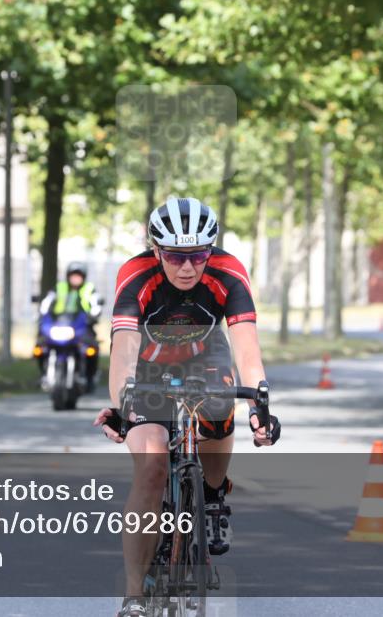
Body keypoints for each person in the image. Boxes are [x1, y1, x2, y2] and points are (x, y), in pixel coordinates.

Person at [91, 197, 280, 617]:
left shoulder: (228, 273)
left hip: (205, 357)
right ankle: (135, 593)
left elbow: (247, 349)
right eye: (176, 256)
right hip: (147, 368)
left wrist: (259, 405)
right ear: (156, 250)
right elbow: (122, 351)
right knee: (153, 463)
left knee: (220, 410)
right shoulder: (136, 275)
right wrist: (122, 403)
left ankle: (213, 496)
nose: (188, 267)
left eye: (198, 254)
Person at [36, 262, 102, 391]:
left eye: (78, 276)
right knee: (40, 346)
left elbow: (95, 304)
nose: (75, 279)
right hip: (59, 325)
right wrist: (41, 315)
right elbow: (46, 303)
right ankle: (43, 374)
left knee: (92, 348)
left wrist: (93, 316)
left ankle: (89, 377)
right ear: (68, 276)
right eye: (73, 275)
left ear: (83, 277)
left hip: (81, 326)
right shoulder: (59, 287)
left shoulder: (89, 288)